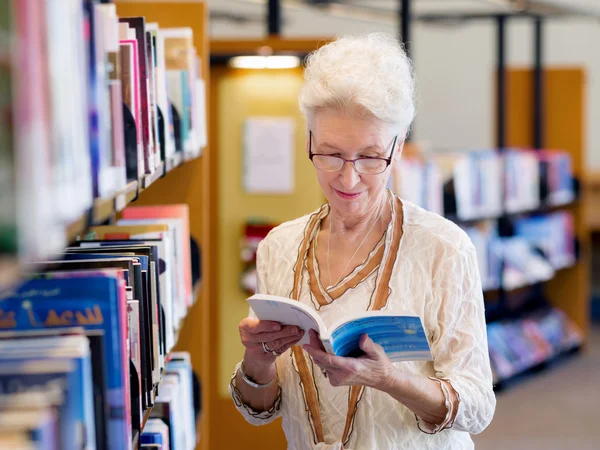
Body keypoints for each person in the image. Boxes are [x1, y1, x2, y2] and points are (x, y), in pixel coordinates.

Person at [230, 33, 496, 450]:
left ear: (398, 147)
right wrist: (258, 360)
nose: (349, 178)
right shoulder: (278, 247)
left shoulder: (443, 247)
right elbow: (262, 409)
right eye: (332, 154)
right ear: (308, 144)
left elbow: (478, 408)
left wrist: (389, 380)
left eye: (371, 157)